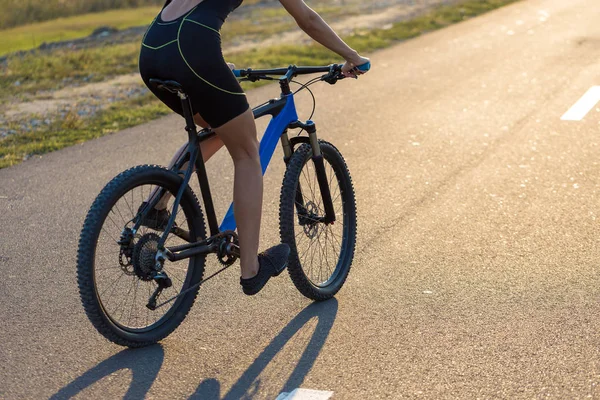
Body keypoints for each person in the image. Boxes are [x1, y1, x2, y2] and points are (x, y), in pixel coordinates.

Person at [138, 0, 369, 296]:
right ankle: (251, 269)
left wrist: (214, 64)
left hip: (154, 48)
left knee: (219, 127)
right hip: (192, 47)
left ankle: (156, 205)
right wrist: (352, 56)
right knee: (247, 151)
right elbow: (307, 19)